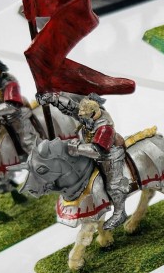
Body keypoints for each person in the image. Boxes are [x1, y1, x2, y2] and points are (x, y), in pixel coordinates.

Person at [39, 92, 130, 230]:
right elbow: (71, 107)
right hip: (87, 150)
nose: (80, 117)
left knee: (114, 184)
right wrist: (53, 98)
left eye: (84, 115)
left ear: (93, 113)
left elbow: (97, 150)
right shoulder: (88, 116)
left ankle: (119, 213)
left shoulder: (105, 127)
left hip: (109, 155)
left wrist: (76, 148)